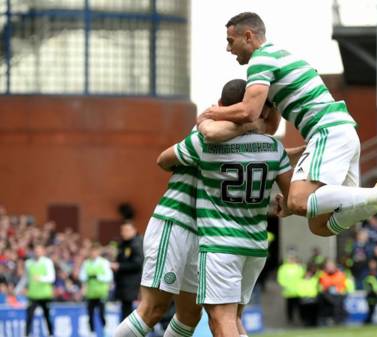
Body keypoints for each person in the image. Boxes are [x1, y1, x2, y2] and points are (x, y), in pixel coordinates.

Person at [200, 12, 377, 239]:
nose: (228, 49)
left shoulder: (260, 61)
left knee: (298, 201)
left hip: (327, 131)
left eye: (231, 41)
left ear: (248, 36)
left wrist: (213, 112)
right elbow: (269, 126)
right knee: (320, 225)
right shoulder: (279, 59)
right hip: (342, 133)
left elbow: (249, 112)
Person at [114, 79, 266, 337]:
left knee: (189, 316)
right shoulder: (208, 134)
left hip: (202, 233)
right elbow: (162, 159)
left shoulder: (235, 139)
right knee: (153, 310)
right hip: (174, 222)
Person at [157, 78, 293, 337]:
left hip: (220, 246)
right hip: (254, 247)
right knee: (234, 319)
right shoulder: (274, 148)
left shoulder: (206, 143)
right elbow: (292, 197)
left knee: (221, 320)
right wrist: (282, 204)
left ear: (222, 105)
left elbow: (163, 160)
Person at [79, 243, 113, 336]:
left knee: (102, 314)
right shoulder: (86, 263)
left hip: (101, 293)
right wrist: (87, 277)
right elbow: (81, 276)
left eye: (95, 251)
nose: (93, 254)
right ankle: (92, 333)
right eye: (91, 252)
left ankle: (105, 331)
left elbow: (109, 277)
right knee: (90, 315)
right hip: (90, 294)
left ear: (98, 252)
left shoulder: (104, 262)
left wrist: (97, 276)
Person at [112, 222, 143, 321]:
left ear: (134, 230)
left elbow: (137, 264)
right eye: (122, 230)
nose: (123, 233)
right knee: (125, 308)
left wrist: (119, 266)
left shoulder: (137, 244)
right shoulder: (123, 244)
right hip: (123, 284)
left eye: (126, 230)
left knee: (128, 310)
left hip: (132, 283)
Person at [22, 245, 55, 337]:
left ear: (43, 252)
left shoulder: (47, 262)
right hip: (33, 295)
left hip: (45, 295)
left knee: (47, 316)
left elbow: (51, 278)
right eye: (36, 251)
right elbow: (25, 278)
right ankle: (26, 334)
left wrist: (40, 278)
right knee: (29, 316)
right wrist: (18, 289)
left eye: (39, 251)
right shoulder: (28, 263)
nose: (37, 253)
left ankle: (51, 334)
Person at [277, 254, 305, 325]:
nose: (291, 260)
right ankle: (290, 321)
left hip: (298, 291)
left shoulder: (299, 267)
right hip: (288, 292)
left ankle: (301, 320)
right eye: (290, 258)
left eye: (293, 258)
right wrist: (285, 285)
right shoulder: (283, 268)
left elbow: (303, 277)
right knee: (289, 307)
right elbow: (280, 278)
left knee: (300, 307)